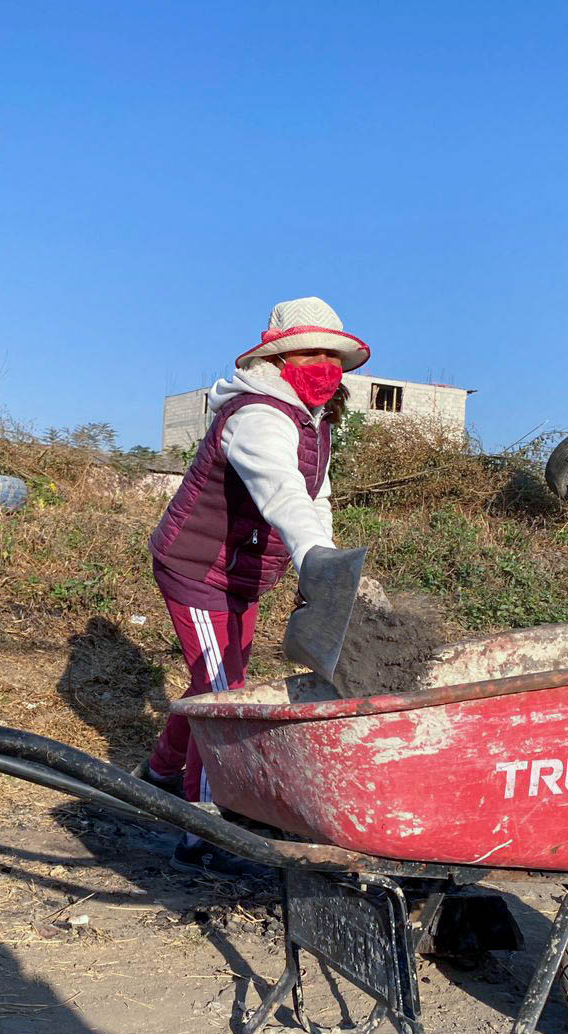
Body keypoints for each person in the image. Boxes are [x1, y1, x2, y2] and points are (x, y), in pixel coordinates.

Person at [139, 298, 368, 872]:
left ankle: (163, 770)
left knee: (215, 679)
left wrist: (324, 561)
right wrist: (310, 553)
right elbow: (282, 492)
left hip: (243, 570)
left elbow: (316, 496)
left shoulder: (314, 422)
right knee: (222, 693)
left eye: (334, 357)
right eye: (312, 353)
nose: (325, 366)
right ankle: (202, 829)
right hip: (197, 567)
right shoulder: (258, 416)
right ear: (281, 357)